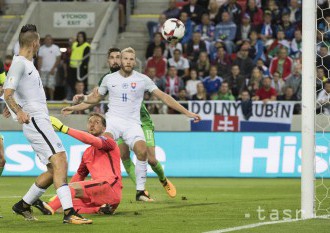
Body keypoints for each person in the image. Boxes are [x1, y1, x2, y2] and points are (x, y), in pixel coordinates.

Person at [73, 47, 201, 201]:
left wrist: (187, 112)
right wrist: (76, 105)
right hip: (115, 122)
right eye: (123, 58)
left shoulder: (142, 79)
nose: (126, 61)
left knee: (150, 158)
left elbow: (164, 96)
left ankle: (163, 179)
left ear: (135, 62)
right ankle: (138, 191)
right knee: (118, 153)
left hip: (140, 121)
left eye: (130, 59)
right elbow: (94, 98)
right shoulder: (108, 79)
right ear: (120, 61)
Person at [3, 24, 91, 224]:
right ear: (35, 43)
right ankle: (69, 213)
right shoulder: (19, 64)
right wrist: (19, 110)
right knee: (60, 159)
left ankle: (23, 204)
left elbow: (12, 93)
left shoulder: (27, 63)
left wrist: (14, 105)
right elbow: (7, 93)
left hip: (38, 119)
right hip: (34, 119)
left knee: (54, 170)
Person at [37, 113, 122, 215]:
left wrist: (64, 129)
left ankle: (49, 208)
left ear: (104, 128)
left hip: (110, 187)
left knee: (70, 191)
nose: (92, 124)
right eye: (90, 122)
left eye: (97, 122)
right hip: (101, 195)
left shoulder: (109, 142)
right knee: (65, 204)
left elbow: (91, 139)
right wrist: (62, 194)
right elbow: (79, 175)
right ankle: (100, 209)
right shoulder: (87, 153)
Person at [67, 31, 90, 100]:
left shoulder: (86, 46)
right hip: (72, 66)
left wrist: (83, 67)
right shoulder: (75, 44)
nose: (80, 38)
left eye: (81, 36)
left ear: (84, 37)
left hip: (80, 67)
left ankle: (81, 97)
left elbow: (86, 58)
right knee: (71, 83)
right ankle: (71, 97)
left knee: (80, 84)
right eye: (78, 36)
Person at [37, 34, 61, 100]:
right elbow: (39, 59)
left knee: (51, 86)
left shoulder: (55, 48)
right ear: (44, 40)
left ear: (52, 40)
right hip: (43, 70)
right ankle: (44, 99)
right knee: (43, 86)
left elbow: (58, 59)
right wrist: (39, 70)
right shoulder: (41, 48)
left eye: (49, 39)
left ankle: (51, 99)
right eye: (46, 39)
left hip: (52, 70)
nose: (48, 40)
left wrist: (53, 68)